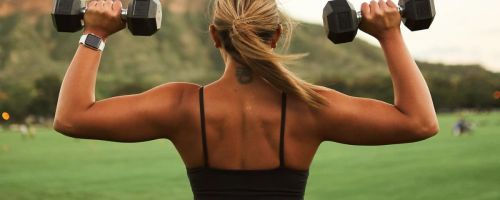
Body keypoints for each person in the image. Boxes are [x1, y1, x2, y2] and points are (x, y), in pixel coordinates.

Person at [54, 0, 439, 199]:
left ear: (214, 36)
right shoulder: (311, 108)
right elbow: (420, 122)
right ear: (277, 36)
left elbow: (71, 118)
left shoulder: (180, 107)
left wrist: (96, 33)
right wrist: (389, 35)